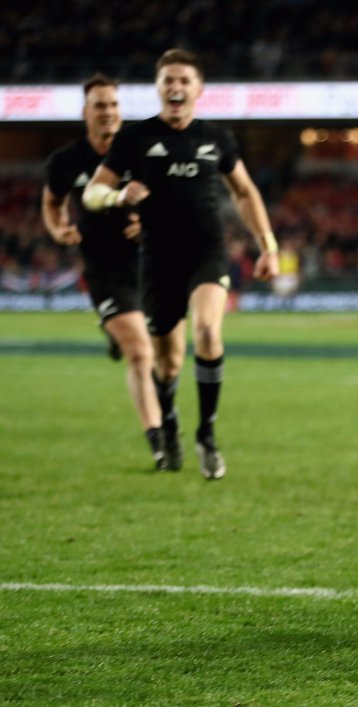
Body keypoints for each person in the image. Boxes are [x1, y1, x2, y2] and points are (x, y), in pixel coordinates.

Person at [83, 48, 280, 480]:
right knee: (168, 363)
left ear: (198, 89)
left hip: (207, 252)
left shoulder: (218, 139)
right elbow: (91, 193)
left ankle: (207, 436)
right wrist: (118, 196)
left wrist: (266, 244)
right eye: (168, 80)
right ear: (158, 87)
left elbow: (244, 192)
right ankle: (168, 420)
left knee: (208, 330)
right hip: (157, 261)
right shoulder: (134, 139)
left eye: (184, 80)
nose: (176, 87)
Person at [42, 73, 167, 469]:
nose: (108, 112)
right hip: (103, 269)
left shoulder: (144, 155)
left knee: (165, 357)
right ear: (85, 113)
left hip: (150, 265)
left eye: (113, 104)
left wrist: (150, 222)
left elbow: (170, 203)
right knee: (140, 350)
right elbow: (51, 201)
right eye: (100, 105)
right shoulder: (65, 162)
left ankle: (114, 332)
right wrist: (58, 227)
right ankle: (158, 439)